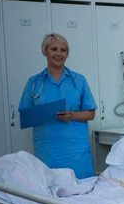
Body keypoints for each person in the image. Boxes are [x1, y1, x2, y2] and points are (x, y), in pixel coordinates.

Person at [18, 33, 97, 179]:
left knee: (81, 191)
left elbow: (91, 113)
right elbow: (25, 115)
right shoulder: (34, 82)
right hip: (48, 151)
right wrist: (42, 113)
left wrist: (72, 115)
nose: (59, 54)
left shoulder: (78, 80)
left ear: (67, 54)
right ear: (45, 51)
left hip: (75, 151)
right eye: (54, 49)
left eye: (63, 50)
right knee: (50, 191)